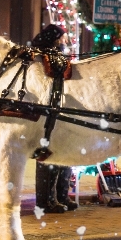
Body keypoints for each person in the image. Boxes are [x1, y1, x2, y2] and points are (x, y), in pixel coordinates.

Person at [30, 24, 78, 213]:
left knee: (62, 154)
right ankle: (45, 201)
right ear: (55, 38)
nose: (65, 42)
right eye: (63, 38)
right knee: (47, 155)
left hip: (58, 108)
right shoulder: (41, 56)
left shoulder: (55, 55)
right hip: (46, 110)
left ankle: (61, 195)